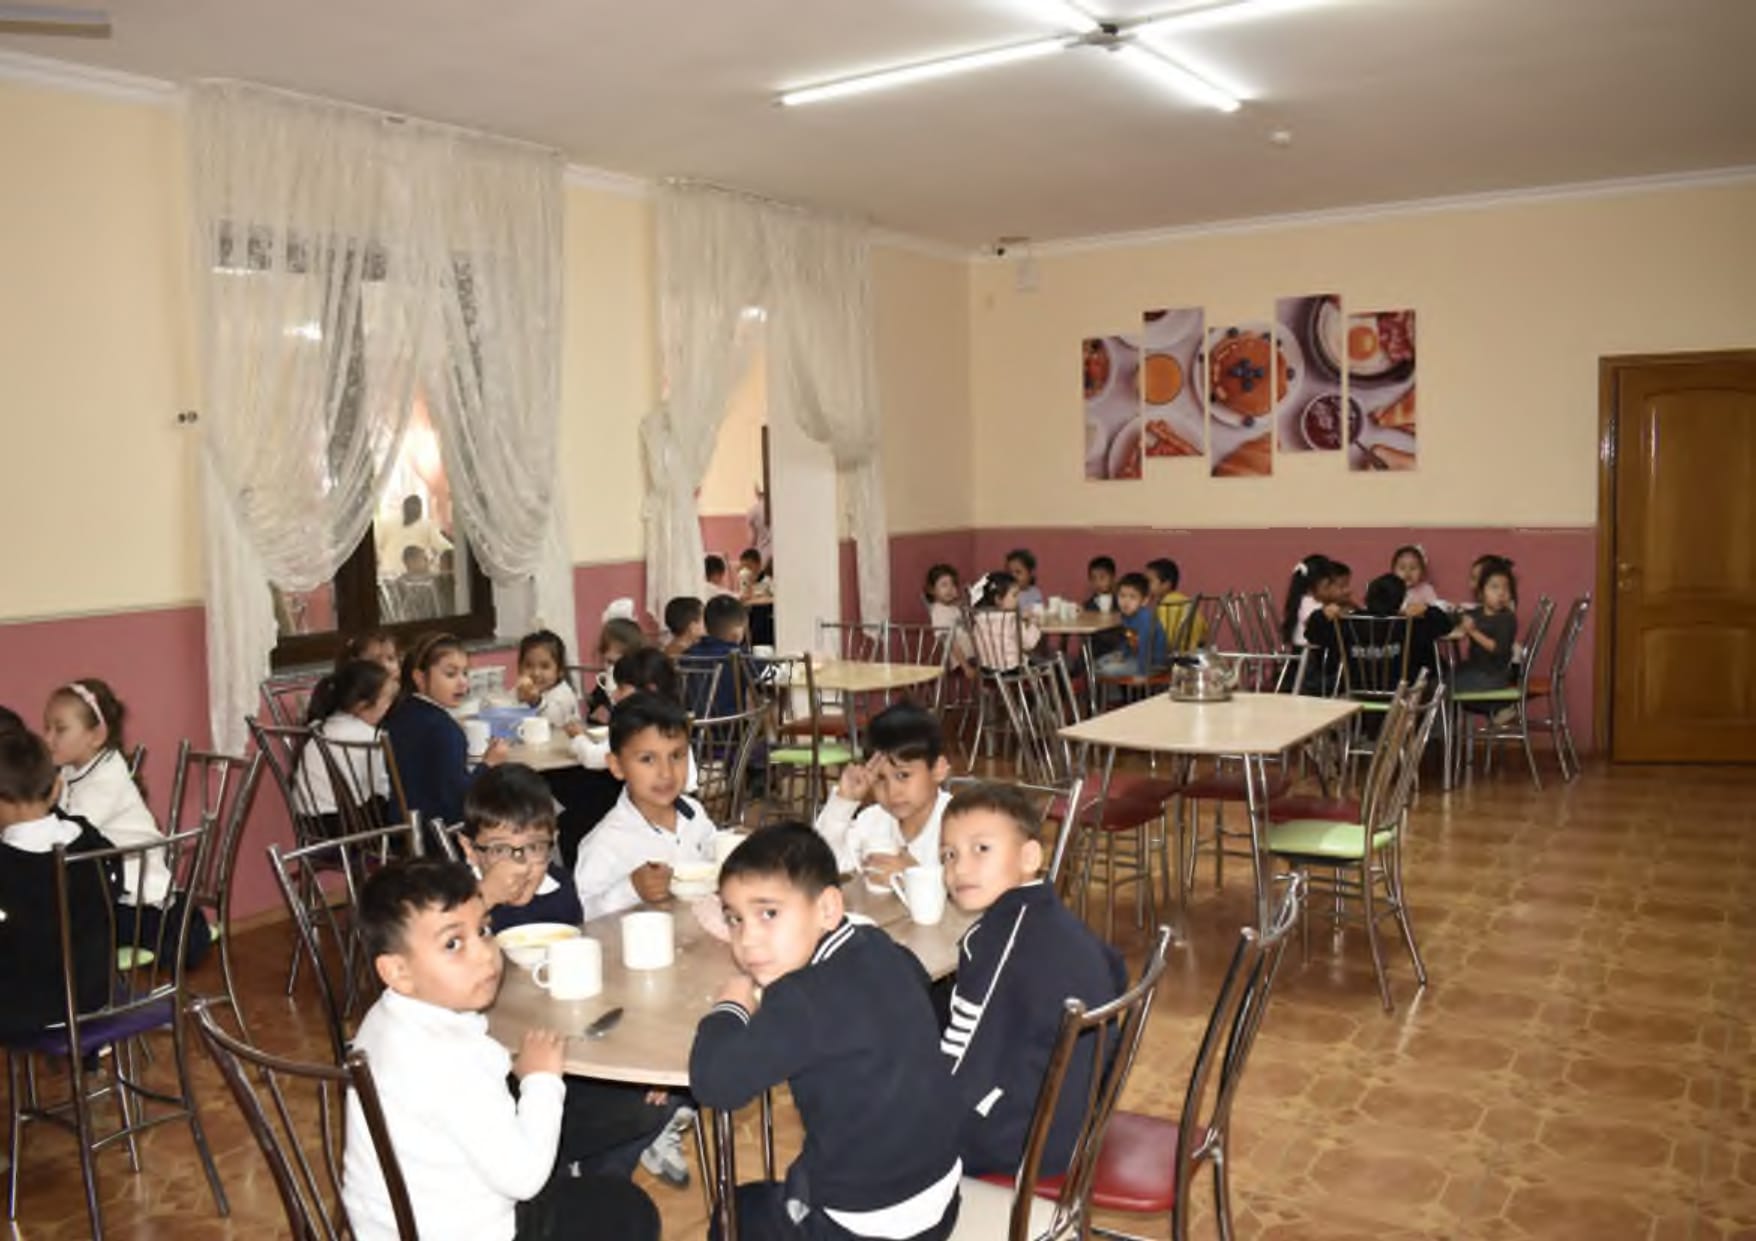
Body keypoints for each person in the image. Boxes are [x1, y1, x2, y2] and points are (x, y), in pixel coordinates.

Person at [343, 858, 660, 1241]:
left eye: (483, 930)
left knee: (618, 1108)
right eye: (453, 944)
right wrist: (541, 1080)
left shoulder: (390, 1015)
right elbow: (524, 1179)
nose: (483, 954)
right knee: (629, 1210)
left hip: (395, 1222)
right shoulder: (446, 1062)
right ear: (398, 971)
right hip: (474, 1230)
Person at [690, 824, 963, 1241]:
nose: (748, 939)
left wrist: (732, 1005)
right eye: (734, 919)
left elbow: (714, 1084)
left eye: (768, 914)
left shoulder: (801, 998)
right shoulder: (877, 944)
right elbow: (916, 984)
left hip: (865, 1224)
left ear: (828, 909)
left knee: (735, 1212)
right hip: (939, 1195)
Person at [458, 765, 696, 1190]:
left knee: (665, 1090)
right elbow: (443, 976)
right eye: (499, 850)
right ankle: (564, 1178)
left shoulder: (560, 889)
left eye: (534, 848)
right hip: (493, 1070)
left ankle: (593, 1182)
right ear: (469, 849)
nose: (520, 866)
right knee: (634, 1108)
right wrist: (485, 899)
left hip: (562, 1043)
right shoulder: (454, 904)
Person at [937, 783, 1126, 1177]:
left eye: (981, 849)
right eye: (949, 855)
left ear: (1029, 857)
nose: (960, 868)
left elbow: (965, 1063)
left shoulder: (1000, 940)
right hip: (1075, 1116)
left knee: (875, 1120)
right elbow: (1116, 969)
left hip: (1028, 1140)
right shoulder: (1047, 916)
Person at [45, 678, 210, 966]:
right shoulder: (71, 771)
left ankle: (87, 990)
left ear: (96, 735)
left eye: (60, 729)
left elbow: (69, 835)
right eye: (46, 727)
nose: (48, 739)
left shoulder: (107, 778)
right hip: (107, 888)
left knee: (56, 929)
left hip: (136, 900)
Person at [0, 727, 116, 1039]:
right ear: (56, 789)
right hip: (95, 994)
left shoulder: (6, 862)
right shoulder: (86, 836)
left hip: (26, 1009)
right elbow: (113, 884)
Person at [571, 694, 716, 922]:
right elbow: (584, 915)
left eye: (676, 756)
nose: (666, 773)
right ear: (617, 766)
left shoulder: (694, 812)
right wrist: (630, 889)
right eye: (648, 759)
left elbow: (712, 852)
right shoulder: (604, 844)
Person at [814, 703, 951, 883]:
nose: (892, 792)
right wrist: (844, 801)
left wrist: (914, 876)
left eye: (903, 775)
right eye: (880, 778)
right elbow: (820, 865)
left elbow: (974, 888)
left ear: (938, 769)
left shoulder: (961, 823)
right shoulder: (872, 820)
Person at [384, 632, 508, 826]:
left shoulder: (400, 713)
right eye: (451, 674)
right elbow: (460, 801)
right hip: (441, 833)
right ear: (420, 678)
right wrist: (489, 765)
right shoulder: (442, 729)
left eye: (465, 673)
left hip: (404, 828)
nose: (463, 683)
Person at [296, 659, 400, 833]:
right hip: (344, 826)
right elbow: (382, 789)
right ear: (363, 706)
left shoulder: (324, 726)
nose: (389, 708)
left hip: (309, 824)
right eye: (387, 701)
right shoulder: (370, 737)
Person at [1307, 573, 1451, 690]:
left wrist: (1322, 614)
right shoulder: (1410, 624)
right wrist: (1426, 610)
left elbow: (1312, 635)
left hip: (1355, 689)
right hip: (1402, 693)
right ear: (1401, 600)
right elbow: (1446, 625)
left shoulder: (1349, 622)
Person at [1454, 561, 1520, 694]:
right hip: (1477, 669)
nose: (1501, 593)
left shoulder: (1506, 619)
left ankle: (1498, 707)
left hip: (1494, 676)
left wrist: (1473, 632)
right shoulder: (1479, 612)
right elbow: (1462, 615)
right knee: (1443, 675)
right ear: (1481, 592)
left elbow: (1498, 649)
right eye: (1494, 587)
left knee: (1443, 685)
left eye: (1506, 588)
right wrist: (1458, 615)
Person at [692, 594, 760, 718]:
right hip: (729, 722)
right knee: (767, 704)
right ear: (737, 632)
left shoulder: (689, 653)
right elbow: (766, 674)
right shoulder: (739, 656)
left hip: (692, 723)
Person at [1095, 572, 1168, 678]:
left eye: (1132, 597)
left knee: (1106, 670)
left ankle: (1114, 689)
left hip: (1152, 663)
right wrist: (1123, 654)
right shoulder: (1126, 616)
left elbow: (1145, 648)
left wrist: (1142, 674)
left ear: (1144, 601)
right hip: (1134, 656)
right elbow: (1128, 639)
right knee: (1098, 663)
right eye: (1122, 596)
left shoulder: (1145, 619)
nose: (1126, 601)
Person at [968, 570, 1041, 672]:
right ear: (998, 599)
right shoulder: (1011, 618)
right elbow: (1029, 644)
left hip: (986, 669)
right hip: (1012, 668)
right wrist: (1034, 624)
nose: (1017, 599)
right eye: (1014, 595)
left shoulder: (979, 618)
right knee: (1043, 662)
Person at [586, 618, 648, 723]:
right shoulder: (602, 687)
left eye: (613, 662)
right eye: (606, 661)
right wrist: (595, 714)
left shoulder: (643, 688)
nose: (608, 667)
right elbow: (593, 714)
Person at [515, 629, 581, 729]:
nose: (536, 673)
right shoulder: (522, 689)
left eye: (545, 666)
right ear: (519, 667)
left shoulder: (564, 694)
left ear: (559, 670)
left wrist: (536, 702)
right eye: (528, 665)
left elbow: (553, 721)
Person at [923, 564, 977, 676]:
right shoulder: (939, 611)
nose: (950, 589)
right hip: (963, 659)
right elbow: (949, 641)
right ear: (932, 590)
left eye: (953, 585)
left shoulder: (954, 608)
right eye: (944, 585)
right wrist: (966, 667)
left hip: (973, 654)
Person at [1391, 544, 1443, 611]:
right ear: (1394, 572)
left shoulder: (1426, 590)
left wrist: (1423, 608)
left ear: (1422, 572)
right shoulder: (1391, 590)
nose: (1407, 572)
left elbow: (1434, 608)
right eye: (1402, 568)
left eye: (1413, 568)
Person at [1005, 548, 1045, 615]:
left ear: (1030, 573)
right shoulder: (1007, 593)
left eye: (1018, 572)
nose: (1013, 576)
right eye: (1010, 572)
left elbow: (1039, 612)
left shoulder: (1035, 592)